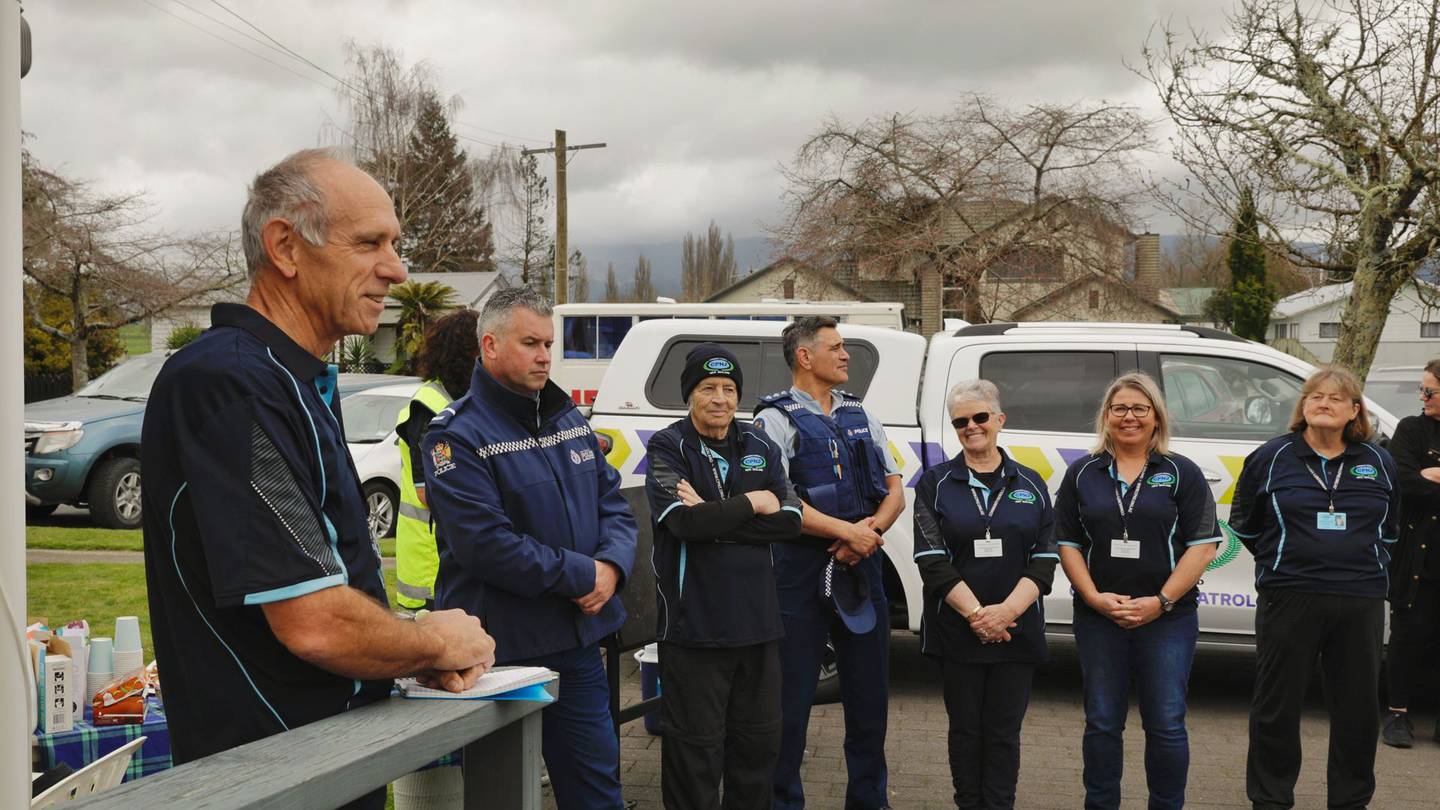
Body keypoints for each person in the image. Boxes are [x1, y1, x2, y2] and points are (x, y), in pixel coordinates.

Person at [140, 149, 496, 809]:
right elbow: (315, 622)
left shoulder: (293, 377)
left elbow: (330, 584)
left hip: (327, 763)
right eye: (369, 243)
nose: (396, 268)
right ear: (285, 246)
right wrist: (428, 641)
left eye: (395, 244)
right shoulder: (235, 382)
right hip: (268, 777)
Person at [420, 286, 638, 810]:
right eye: (530, 343)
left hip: (576, 643)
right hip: (499, 651)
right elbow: (486, 545)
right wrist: (584, 576)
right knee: (501, 794)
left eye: (549, 343)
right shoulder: (455, 436)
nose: (545, 355)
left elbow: (614, 503)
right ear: (489, 346)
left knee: (596, 789)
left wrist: (611, 566)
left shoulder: (566, 418)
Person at [644, 344, 806, 809]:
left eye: (729, 389)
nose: (720, 399)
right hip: (694, 631)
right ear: (689, 395)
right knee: (694, 755)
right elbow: (685, 524)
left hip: (758, 629)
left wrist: (715, 517)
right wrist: (754, 503)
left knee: (756, 751)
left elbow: (791, 522)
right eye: (708, 388)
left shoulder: (760, 446)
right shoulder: (667, 446)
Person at [754, 315, 906, 810]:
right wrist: (847, 532)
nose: (845, 356)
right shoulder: (773, 420)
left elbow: (895, 490)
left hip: (861, 568)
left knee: (869, 702)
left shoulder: (861, 414)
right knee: (790, 704)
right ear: (805, 356)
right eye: (836, 348)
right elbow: (776, 501)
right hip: (798, 574)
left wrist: (871, 533)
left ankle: (869, 801)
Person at [1231, 367, 1399, 809]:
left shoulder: (1378, 462)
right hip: (1290, 594)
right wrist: (1280, 560)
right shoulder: (1271, 457)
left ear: (1355, 412)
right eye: (1315, 396)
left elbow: (1391, 529)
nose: (1323, 403)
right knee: (1276, 707)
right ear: (1303, 407)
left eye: (1335, 398)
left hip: (1359, 598)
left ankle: (1350, 800)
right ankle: (1270, 799)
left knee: (1358, 711)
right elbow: (1245, 523)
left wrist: (1366, 564)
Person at [1054, 372, 1220, 810]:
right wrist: (1092, 597)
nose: (1129, 417)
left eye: (1139, 409)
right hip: (1099, 618)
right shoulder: (1083, 473)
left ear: (1156, 417)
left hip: (1168, 619)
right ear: (1106, 417)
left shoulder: (1180, 472)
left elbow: (1203, 545)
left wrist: (1161, 602)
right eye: (1119, 409)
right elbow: (1067, 543)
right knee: (1103, 722)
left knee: (1166, 723)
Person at [913, 379, 1059, 810]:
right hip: (958, 630)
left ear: (999, 420)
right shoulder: (935, 483)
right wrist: (979, 615)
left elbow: (1045, 559)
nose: (971, 427)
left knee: (1002, 733)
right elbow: (932, 560)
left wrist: (1004, 614)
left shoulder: (1031, 483)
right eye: (961, 422)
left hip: (1017, 632)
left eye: (980, 417)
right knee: (965, 731)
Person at [394, 308, 480, 612]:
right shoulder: (428, 407)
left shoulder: (464, 402)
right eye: (482, 349)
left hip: (456, 563)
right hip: (430, 568)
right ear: (463, 354)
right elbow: (426, 491)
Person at [1383, 359, 1440, 748]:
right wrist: (1420, 477)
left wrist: (1430, 474)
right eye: (1422, 390)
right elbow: (1404, 482)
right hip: (1419, 557)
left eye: (1430, 391)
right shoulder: (1411, 429)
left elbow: (1421, 481)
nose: (1422, 397)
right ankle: (1398, 715)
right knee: (1408, 635)